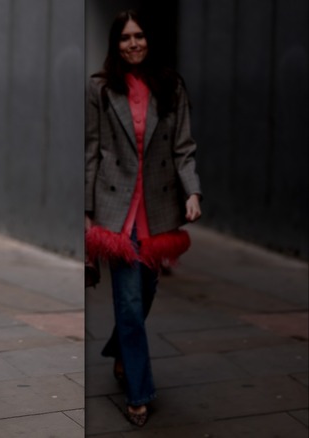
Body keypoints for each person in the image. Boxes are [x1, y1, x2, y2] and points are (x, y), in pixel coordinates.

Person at [84, 9, 202, 427]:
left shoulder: (170, 86)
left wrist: (193, 191)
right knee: (130, 303)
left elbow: (183, 147)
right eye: (125, 38)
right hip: (116, 212)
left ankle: (120, 349)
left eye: (139, 36)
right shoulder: (100, 89)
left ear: (150, 41)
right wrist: (86, 213)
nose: (133, 44)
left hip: (159, 207)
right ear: (115, 44)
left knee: (144, 294)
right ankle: (139, 392)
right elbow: (92, 150)